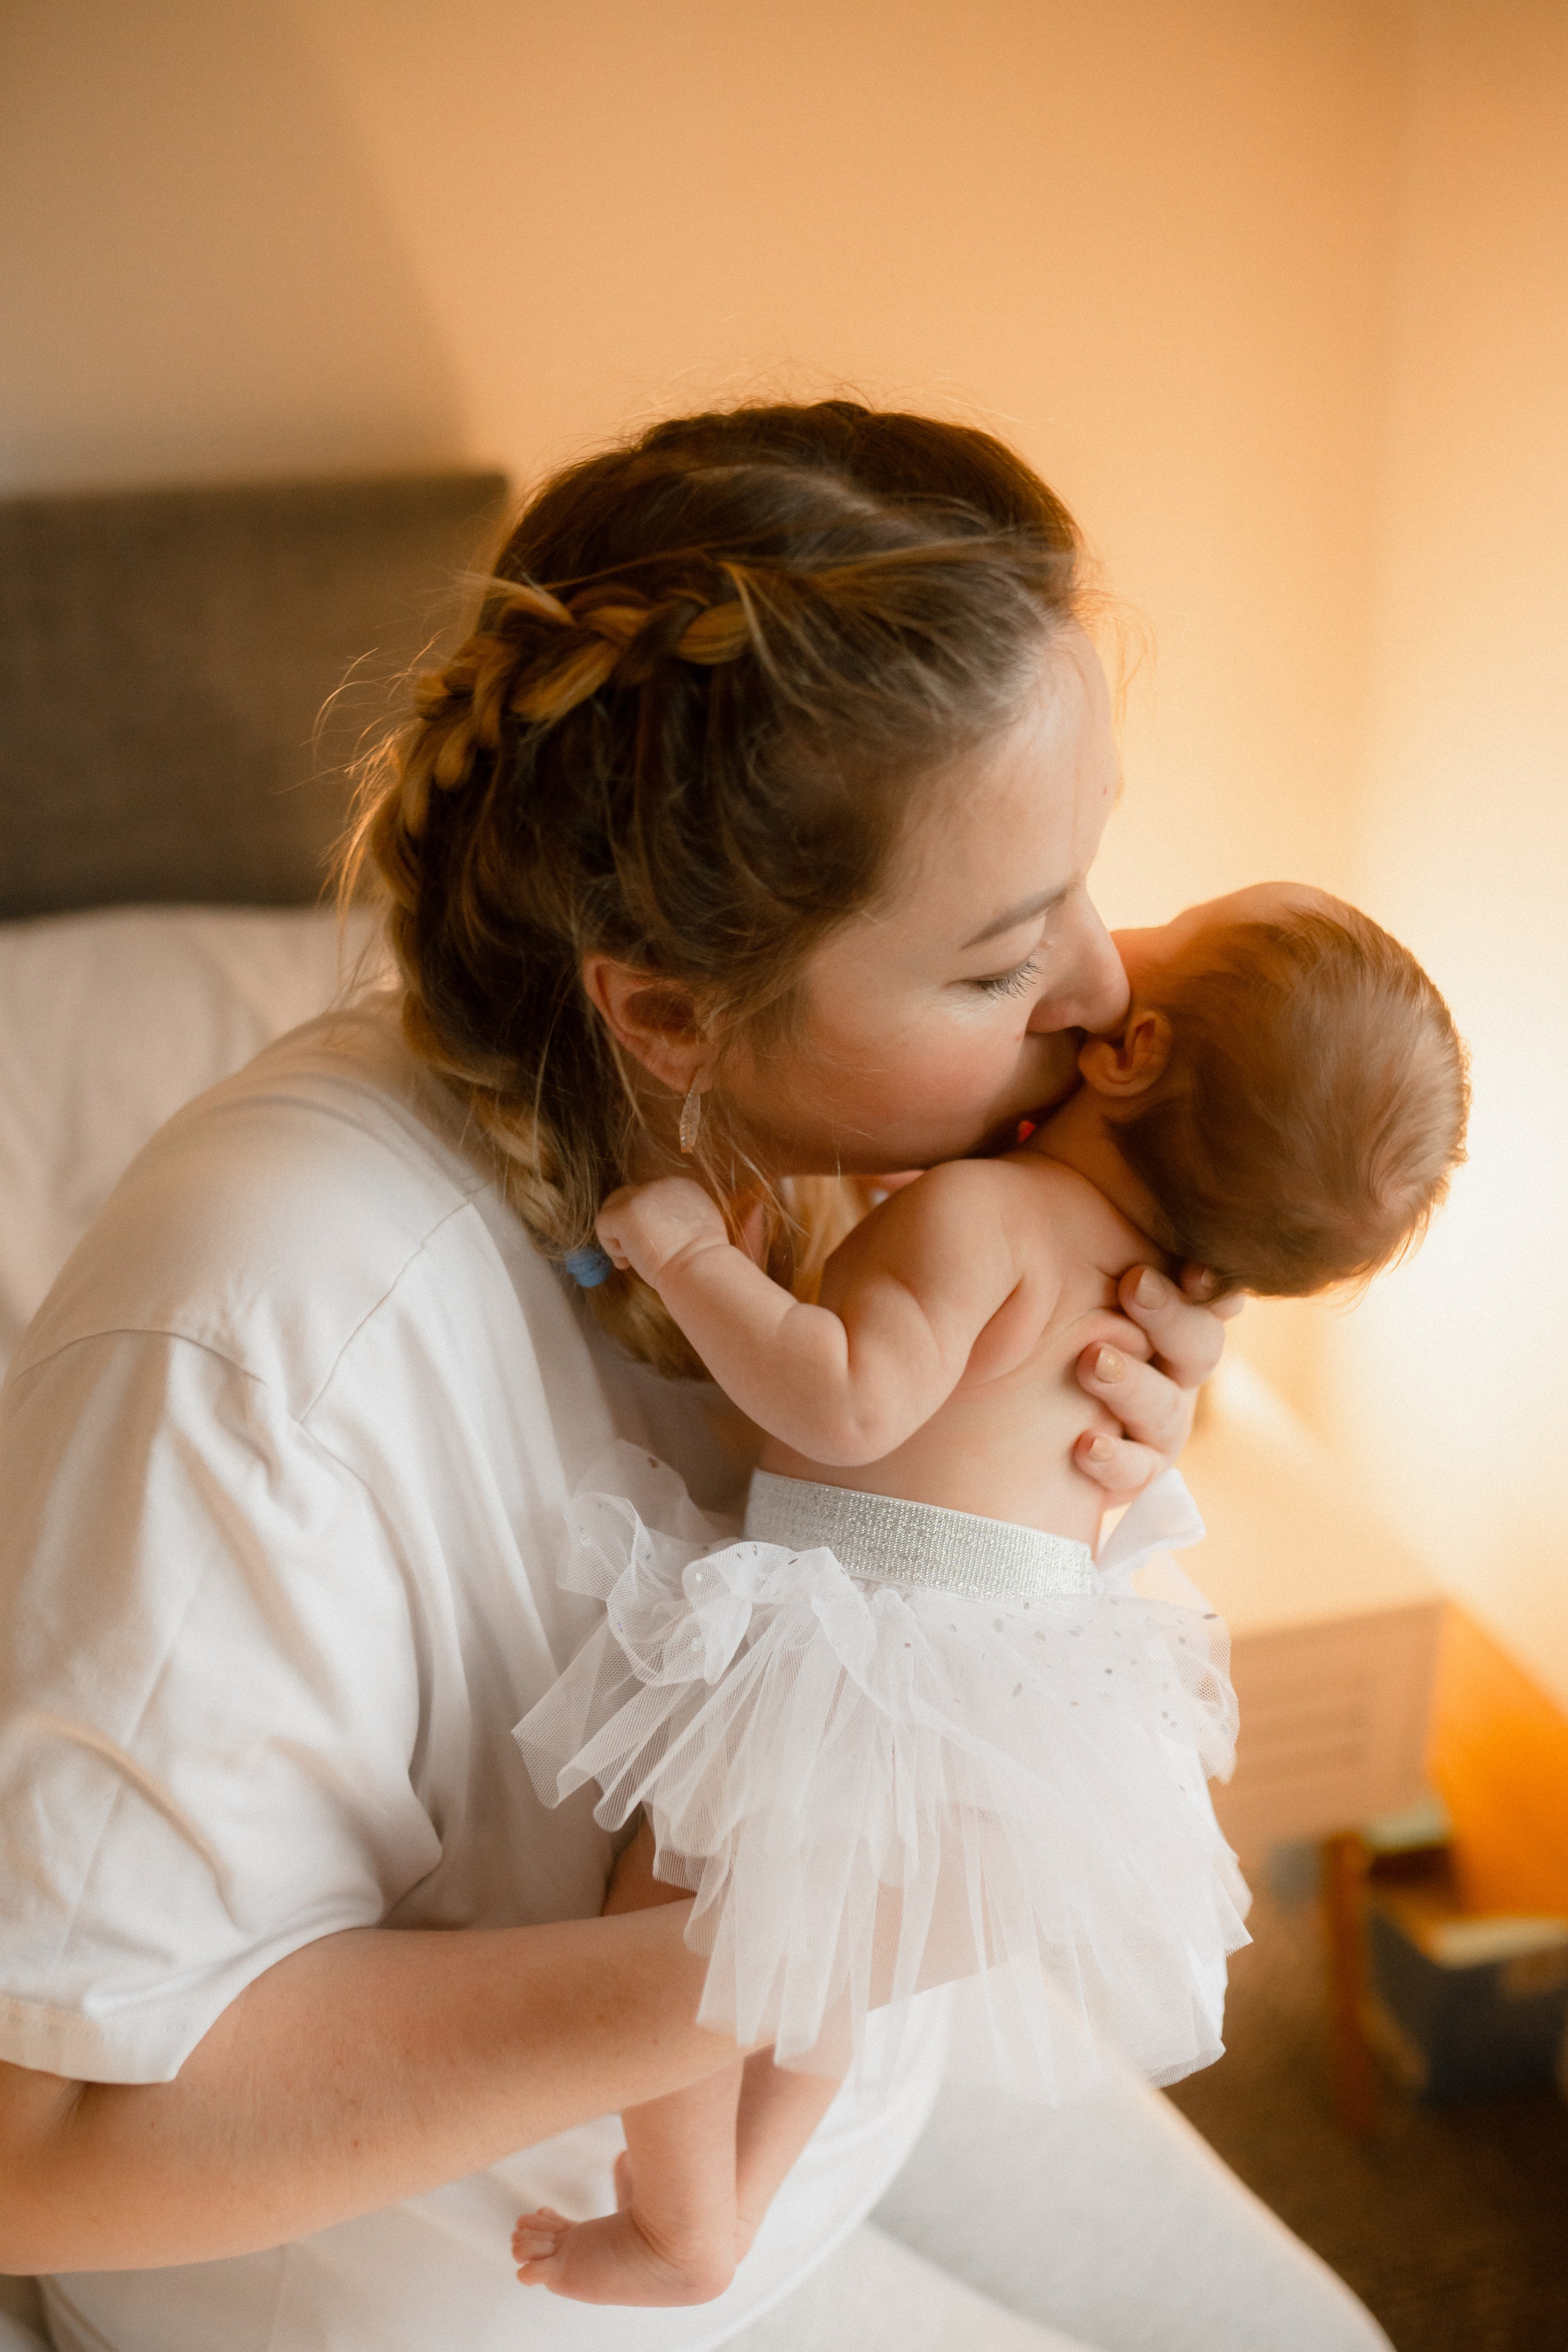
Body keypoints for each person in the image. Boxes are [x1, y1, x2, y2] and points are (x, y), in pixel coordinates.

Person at [0, 401, 1394, 2352]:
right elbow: (48, 2135)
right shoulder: (263, 1339)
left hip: (829, 2089)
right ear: (662, 1007)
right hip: (496, 2281)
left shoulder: (855, 1156)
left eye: (1092, 882)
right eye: (1002, 963)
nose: (1102, 996)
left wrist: (1099, 1429)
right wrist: (816, 1925)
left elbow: (912, 1573)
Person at [509, 881, 1467, 2307]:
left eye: (1158, 924)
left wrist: (689, 1256)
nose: (1095, 940)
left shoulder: (983, 1213)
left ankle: (682, 2215)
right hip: (1011, 1693)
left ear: (1130, 1052)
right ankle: (744, 2199)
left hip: (866, 1640)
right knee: (815, 1963)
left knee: (679, 1921)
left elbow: (843, 1403)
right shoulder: (1128, 1282)